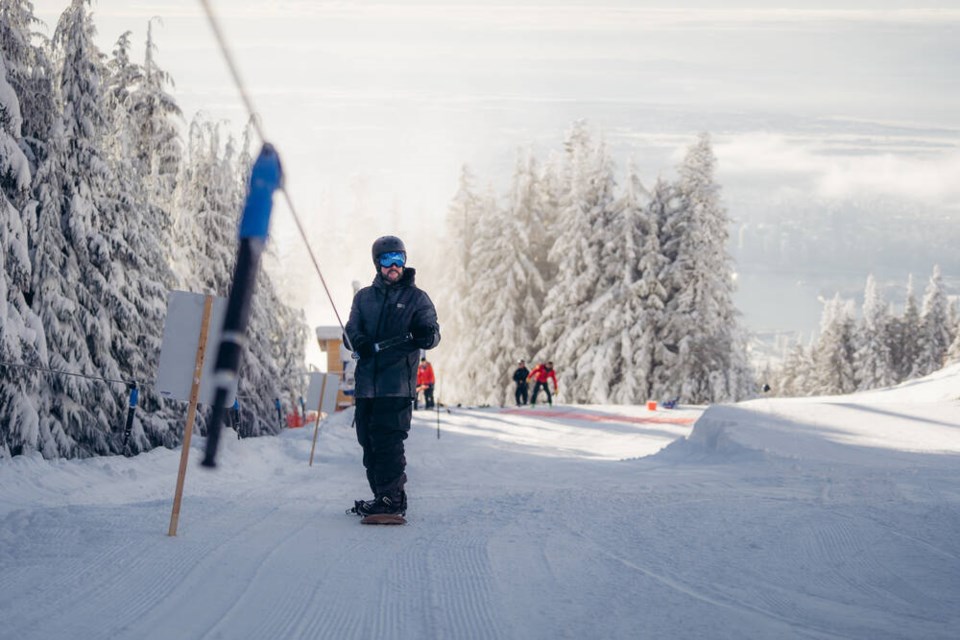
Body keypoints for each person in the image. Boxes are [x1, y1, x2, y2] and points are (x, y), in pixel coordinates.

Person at [345, 235, 440, 519]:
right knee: (368, 443)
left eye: (399, 259)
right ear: (378, 264)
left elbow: (433, 334)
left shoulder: (416, 298)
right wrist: (358, 341)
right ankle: (383, 497)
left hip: (396, 384)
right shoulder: (363, 298)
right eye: (387, 260)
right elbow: (350, 330)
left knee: (388, 442)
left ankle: (392, 498)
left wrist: (427, 335)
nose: (394, 265)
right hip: (366, 387)